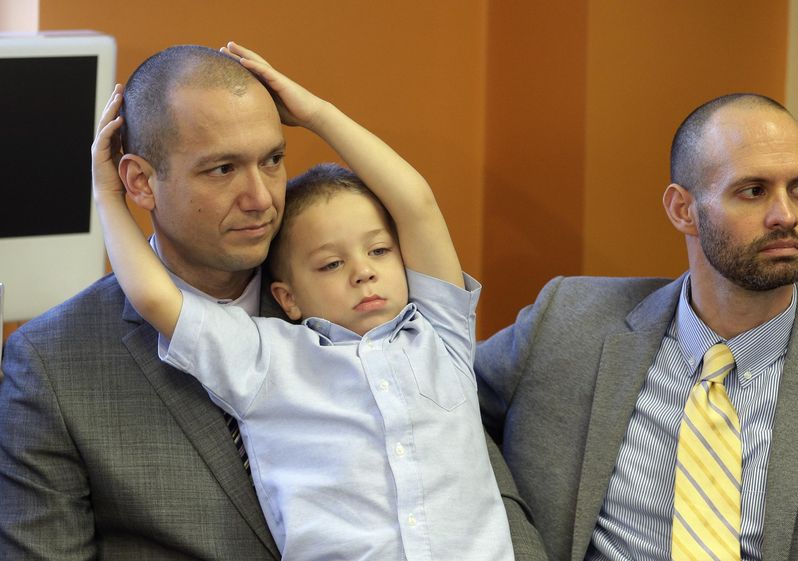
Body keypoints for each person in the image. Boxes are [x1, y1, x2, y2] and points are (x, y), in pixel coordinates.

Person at [0, 43, 543, 560]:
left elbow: (480, 490)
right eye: (223, 169)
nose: (261, 199)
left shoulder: (369, 311)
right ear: (140, 183)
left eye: (273, 160)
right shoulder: (51, 364)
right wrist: (103, 197)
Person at [476, 93, 798, 561]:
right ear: (682, 210)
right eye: (753, 190)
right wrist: (511, 536)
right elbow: (442, 403)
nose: (786, 215)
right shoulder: (568, 321)